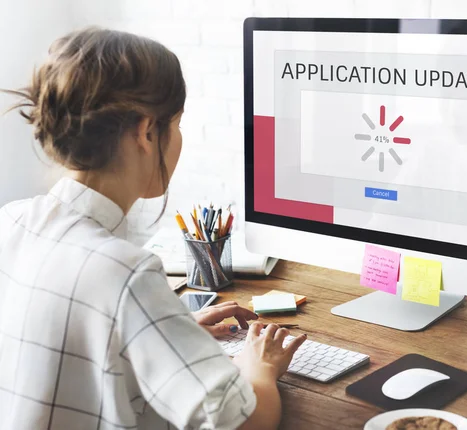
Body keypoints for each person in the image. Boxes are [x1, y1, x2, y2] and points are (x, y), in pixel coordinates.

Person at [0, 27, 306, 430]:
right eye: (176, 124)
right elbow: (246, 422)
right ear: (146, 132)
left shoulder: (11, 221)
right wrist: (258, 366)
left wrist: (165, 330)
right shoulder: (126, 272)